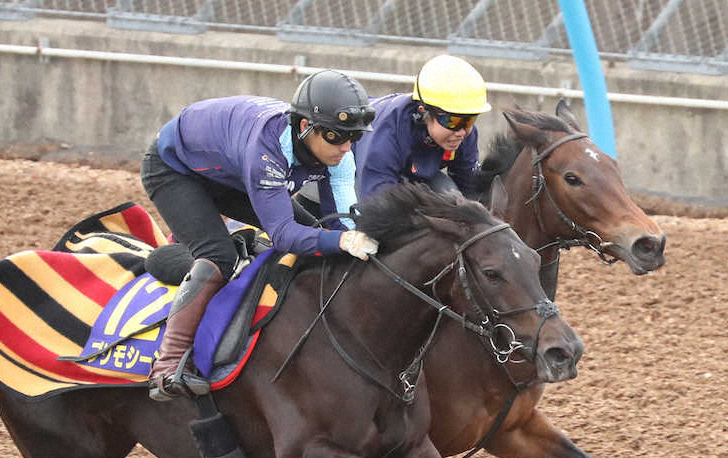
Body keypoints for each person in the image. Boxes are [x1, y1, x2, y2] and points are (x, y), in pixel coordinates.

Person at [141, 70, 379, 400]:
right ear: (304, 127)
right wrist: (341, 241)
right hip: (177, 171)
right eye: (337, 136)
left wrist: (360, 242)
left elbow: (343, 226)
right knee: (219, 257)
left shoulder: (338, 151)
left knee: (316, 234)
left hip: (229, 172)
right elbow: (283, 234)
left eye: (353, 136)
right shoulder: (268, 147)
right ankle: (165, 368)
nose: (346, 146)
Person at [352, 54, 490, 201]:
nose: (461, 132)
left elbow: (471, 190)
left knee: (454, 201)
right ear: (424, 111)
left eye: (470, 120)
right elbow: (376, 209)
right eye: (452, 121)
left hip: (415, 175)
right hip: (358, 171)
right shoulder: (386, 135)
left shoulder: (463, 132)